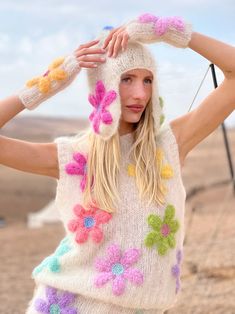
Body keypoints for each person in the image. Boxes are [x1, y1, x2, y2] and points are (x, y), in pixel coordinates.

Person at [0, 13, 235, 314]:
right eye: (126, 79)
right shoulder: (75, 158)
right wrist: (47, 85)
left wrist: (168, 32)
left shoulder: (170, 145)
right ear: (106, 87)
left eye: (147, 80)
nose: (140, 94)